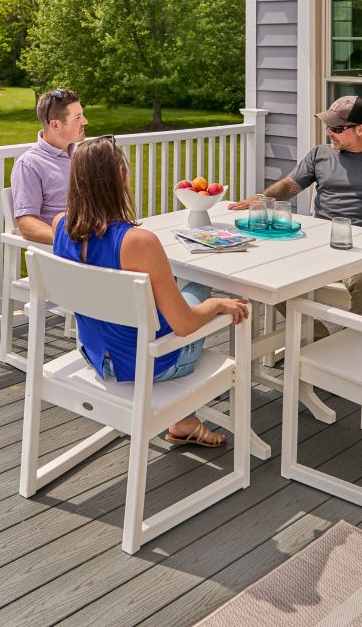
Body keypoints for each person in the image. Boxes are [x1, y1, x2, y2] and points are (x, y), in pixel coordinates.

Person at [51, 136, 249, 448]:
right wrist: (217, 304)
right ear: (119, 176)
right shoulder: (138, 242)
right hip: (151, 366)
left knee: (174, 297)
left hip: (95, 357)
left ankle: (184, 420)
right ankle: (186, 413)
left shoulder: (60, 225)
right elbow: (184, 326)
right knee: (197, 289)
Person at [231, 95, 362, 334]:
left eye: (336, 128)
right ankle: (316, 335)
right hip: (317, 245)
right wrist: (262, 199)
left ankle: (353, 345)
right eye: (327, 125)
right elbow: (291, 185)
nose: (328, 132)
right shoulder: (319, 155)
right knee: (264, 272)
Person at [9, 88, 88, 244]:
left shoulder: (82, 153)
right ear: (55, 125)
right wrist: (73, 241)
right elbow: (27, 225)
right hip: (71, 253)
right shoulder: (29, 164)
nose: (85, 121)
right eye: (77, 117)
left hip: (97, 236)